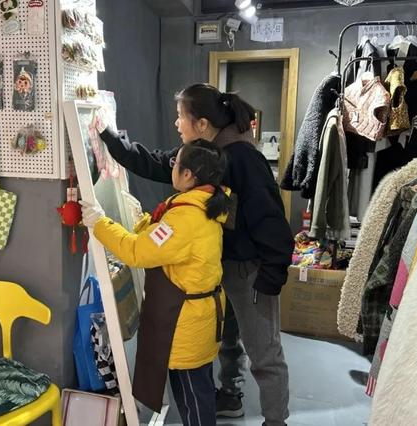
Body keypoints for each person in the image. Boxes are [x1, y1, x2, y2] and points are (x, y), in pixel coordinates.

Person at [95, 83, 294, 426]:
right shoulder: (200, 154)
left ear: (202, 124)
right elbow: (156, 162)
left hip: (251, 270)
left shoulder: (243, 158)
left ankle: (276, 421)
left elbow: (271, 220)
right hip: (217, 266)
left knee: (264, 351)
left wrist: (272, 274)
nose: (176, 123)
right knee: (227, 338)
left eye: (180, 116)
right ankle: (230, 395)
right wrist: (110, 139)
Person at [80, 140, 230, 426]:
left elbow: (137, 252)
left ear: (188, 175)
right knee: (195, 393)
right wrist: (142, 221)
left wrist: (99, 223)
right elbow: (161, 242)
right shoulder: (197, 206)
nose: (171, 167)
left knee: (193, 398)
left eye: (175, 163)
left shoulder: (186, 218)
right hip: (195, 317)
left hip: (185, 321)